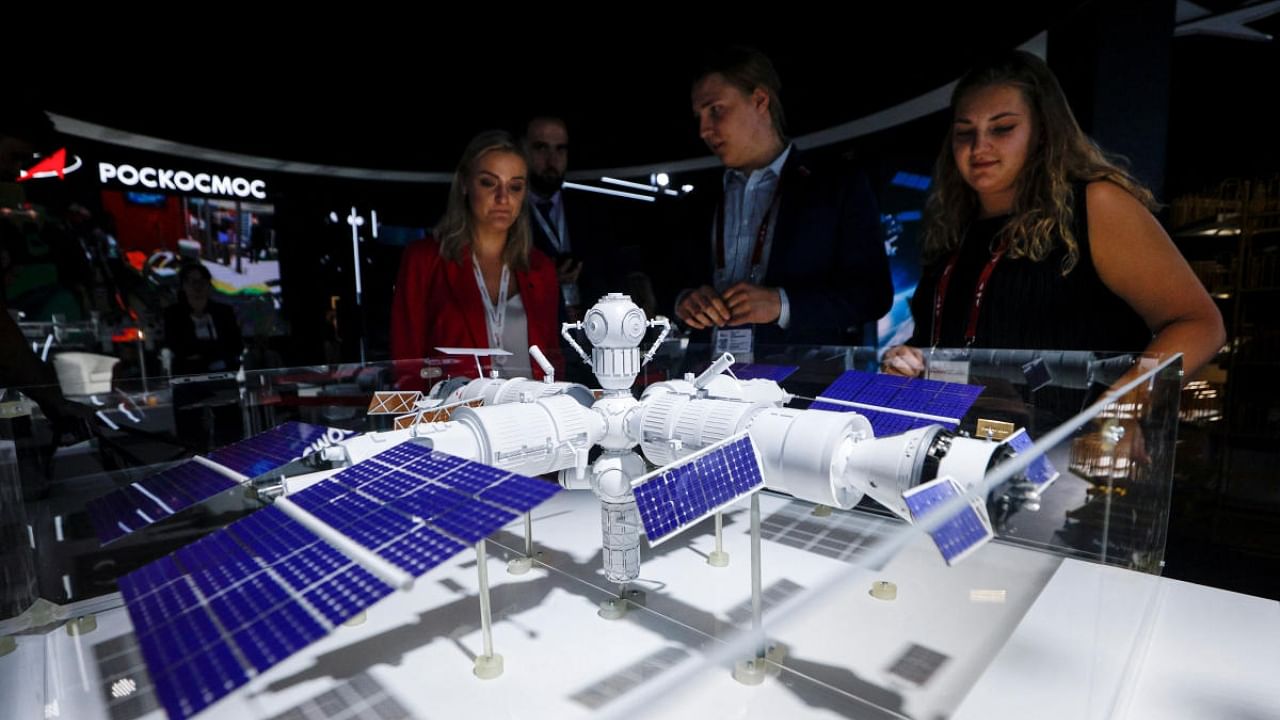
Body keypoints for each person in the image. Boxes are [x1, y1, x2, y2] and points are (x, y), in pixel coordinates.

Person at [881, 51, 1224, 379]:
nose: (979, 146)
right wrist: (908, 358)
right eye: (964, 132)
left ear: (1042, 131)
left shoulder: (1095, 205)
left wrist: (1128, 404)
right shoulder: (954, 228)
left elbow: (1198, 324)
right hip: (966, 435)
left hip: (1073, 437)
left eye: (1002, 128)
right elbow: (955, 343)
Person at [674, 47, 892, 353]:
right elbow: (667, 276)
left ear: (760, 100)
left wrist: (782, 304)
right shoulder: (698, 199)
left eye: (716, 110)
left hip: (798, 381)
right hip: (706, 379)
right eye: (699, 116)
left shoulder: (835, 185)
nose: (703, 130)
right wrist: (684, 300)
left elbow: (873, 295)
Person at [390, 130, 559, 382]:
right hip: (458, 416)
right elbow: (406, 363)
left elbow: (553, 358)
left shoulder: (540, 268)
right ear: (465, 184)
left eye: (515, 186)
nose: (503, 198)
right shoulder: (424, 260)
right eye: (489, 183)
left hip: (529, 413)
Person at [163, 262, 243, 375]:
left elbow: (235, 345)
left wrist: (201, 352)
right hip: (188, 376)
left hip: (223, 374)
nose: (198, 286)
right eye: (192, 282)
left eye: (202, 281)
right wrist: (213, 350)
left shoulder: (224, 312)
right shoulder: (173, 314)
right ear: (183, 285)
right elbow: (178, 348)